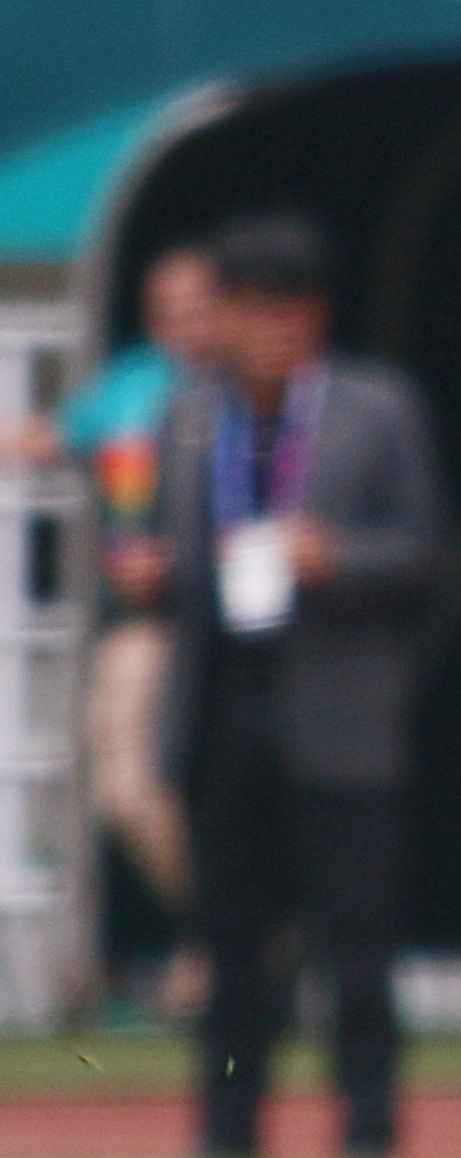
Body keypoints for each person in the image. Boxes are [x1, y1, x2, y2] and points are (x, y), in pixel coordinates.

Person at [151, 212, 442, 1158]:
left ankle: (368, 1125)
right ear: (224, 316)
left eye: (293, 310)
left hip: (338, 704)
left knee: (356, 934)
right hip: (222, 698)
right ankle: (227, 1128)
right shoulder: (190, 416)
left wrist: (336, 557)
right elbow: (178, 555)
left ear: (316, 315)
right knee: (229, 935)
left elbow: (421, 550)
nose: (275, 329)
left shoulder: (376, 406)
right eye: (255, 309)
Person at [60, 246, 217, 1008]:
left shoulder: (244, 392)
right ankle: (229, 930)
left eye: (200, 305)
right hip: (141, 627)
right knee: (125, 790)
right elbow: (50, 437)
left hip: (226, 629)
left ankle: (227, 942)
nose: (187, 323)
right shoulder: (127, 389)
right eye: (173, 308)